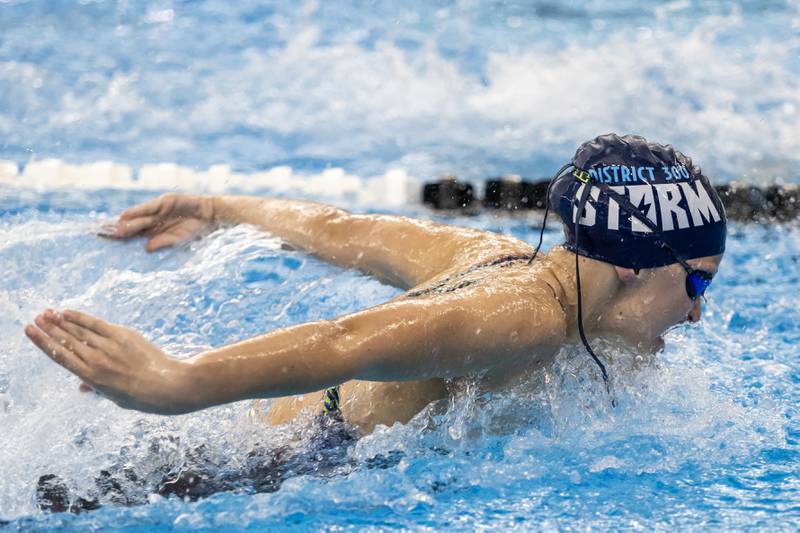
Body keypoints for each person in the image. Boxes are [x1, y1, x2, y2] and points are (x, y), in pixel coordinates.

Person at [25, 133, 726, 436]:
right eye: (697, 282)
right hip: (267, 464)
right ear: (636, 261)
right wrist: (179, 383)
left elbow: (340, 229)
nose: (696, 313)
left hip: (275, 437)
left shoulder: (491, 254)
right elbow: (348, 339)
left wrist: (217, 209)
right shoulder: (525, 318)